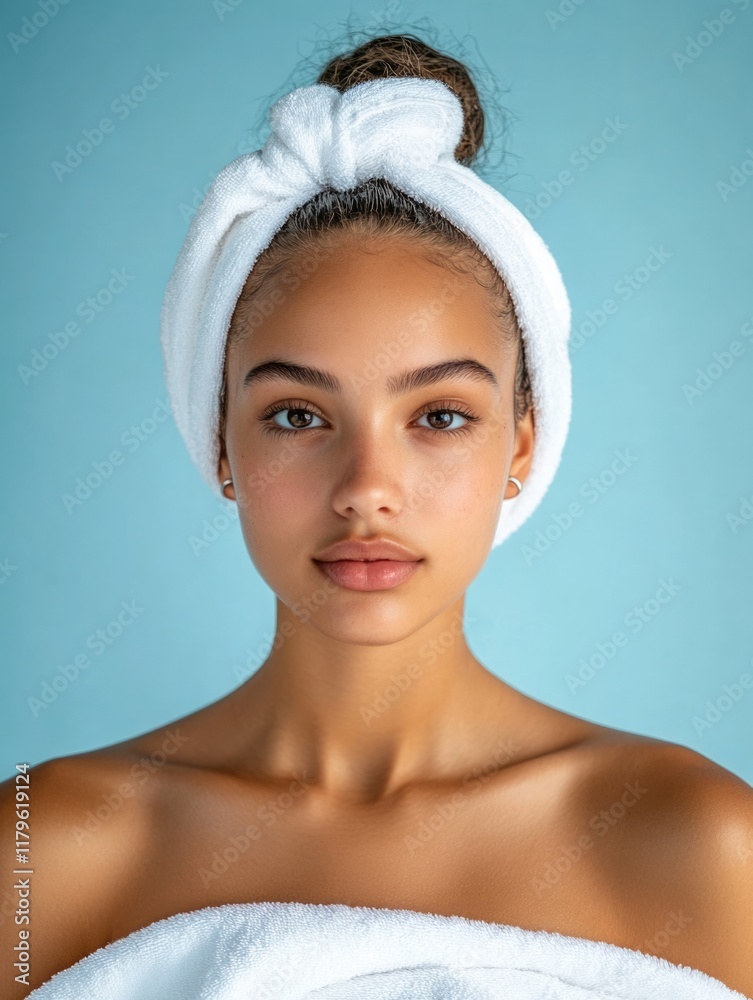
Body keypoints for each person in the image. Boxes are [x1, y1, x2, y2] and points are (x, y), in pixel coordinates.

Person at [2, 31, 752, 1000]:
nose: (366, 486)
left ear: (521, 446)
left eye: (439, 416)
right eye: (297, 416)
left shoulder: (695, 843)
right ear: (221, 443)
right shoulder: (44, 849)